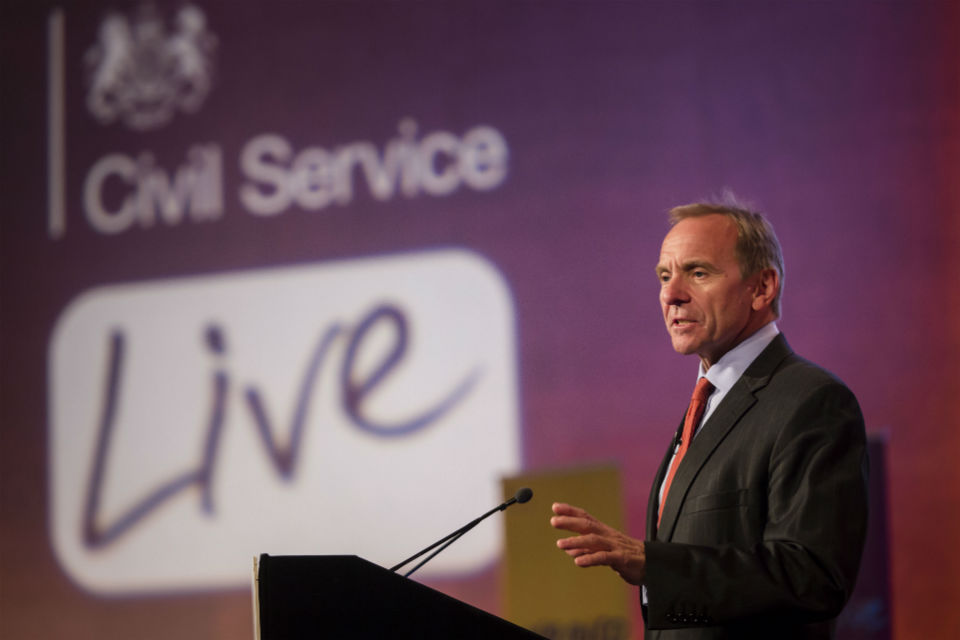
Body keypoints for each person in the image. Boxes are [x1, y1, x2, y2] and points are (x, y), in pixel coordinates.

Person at [550, 200, 868, 639]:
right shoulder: (708, 403)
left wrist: (651, 563)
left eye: (698, 273)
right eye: (665, 276)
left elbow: (811, 576)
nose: (671, 293)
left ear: (762, 287)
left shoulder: (811, 402)